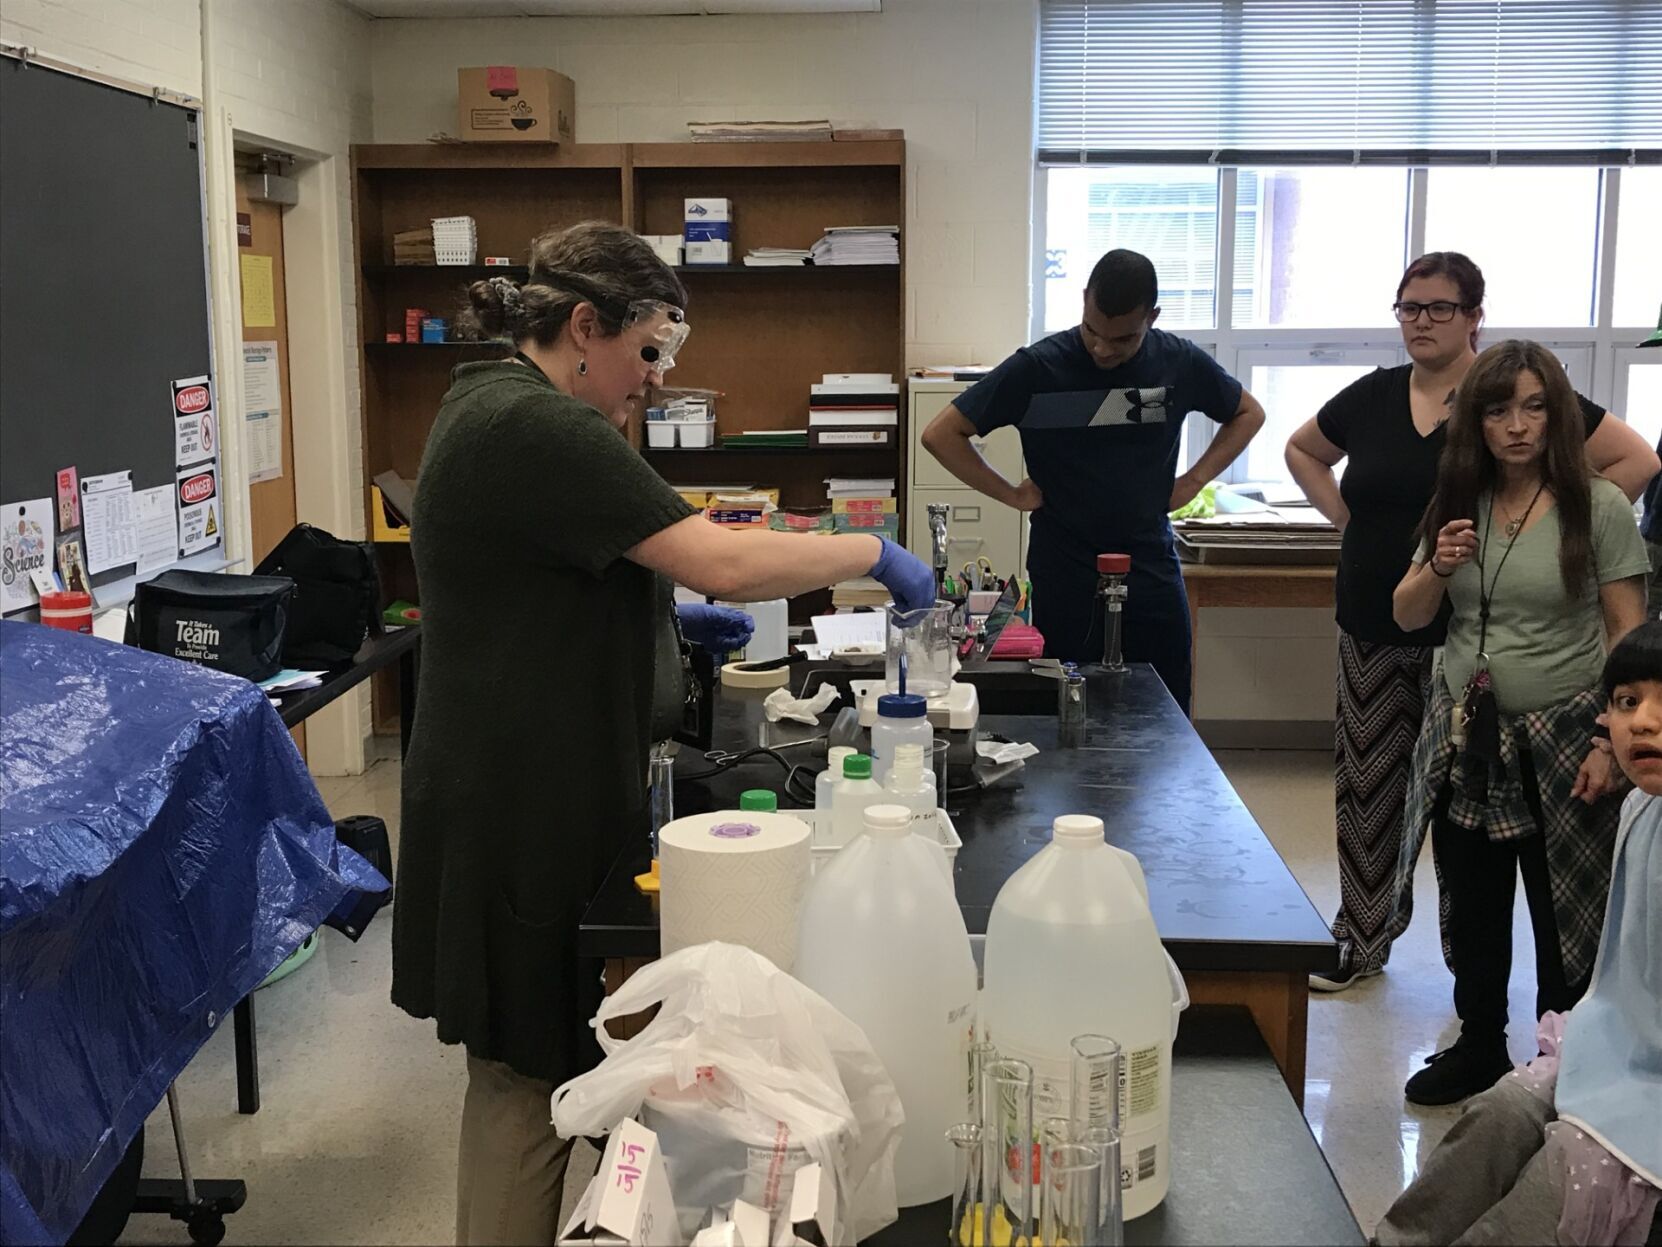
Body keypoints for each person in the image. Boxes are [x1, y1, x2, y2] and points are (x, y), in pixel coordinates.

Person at [389, 221, 936, 1246]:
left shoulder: (491, 403)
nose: (650, 383)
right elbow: (718, 561)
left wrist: (661, 622)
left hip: (516, 776)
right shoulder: (539, 426)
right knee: (530, 1077)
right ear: (584, 327)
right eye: (647, 355)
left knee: (547, 1064)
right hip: (520, 802)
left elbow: (550, 577)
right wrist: (870, 546)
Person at [1286, 253, 1658, 992]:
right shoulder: (1374, 396)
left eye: (1440, 308)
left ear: (1473, 315)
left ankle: (1471, 971)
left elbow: (1637, 460)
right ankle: (1360, 938)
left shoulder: (1509, 392)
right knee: (1369, 793)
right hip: (1384, 622)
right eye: (1409, 307)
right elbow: (1303, 449)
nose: (1422, 321)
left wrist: (1559, 526)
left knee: (1471, 826)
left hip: (1494, 652)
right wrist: (1347, 519)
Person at [1390, 339, 1649, 1106]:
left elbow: (1628, 639)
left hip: (1565, 737)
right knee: (1472, 901)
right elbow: (1406, 614)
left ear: (1558, 416)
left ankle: (1563, 1053)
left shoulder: (1596, 505)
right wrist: (1436, 565)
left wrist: (1611, 738)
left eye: (1535, 407)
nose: (1517, 426)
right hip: (1467, 735)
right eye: (1499, 409)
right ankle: (1479, 1046)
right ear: (1477, 420)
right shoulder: (1456, 500)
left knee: (1564, 906)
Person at [1373, 622, 1662, 1247]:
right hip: (1618, 1051)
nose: (1644, 722)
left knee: (1565, 1170)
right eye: (1626, 702)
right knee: (1499, 1113)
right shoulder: (1641, 807)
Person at [921, 248, 1266, 712]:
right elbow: (941, 434)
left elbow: (1248, 413)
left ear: (1152, 317)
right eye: (1092, 331)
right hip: (1065, 567)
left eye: (1122, 339)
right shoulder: (1038, 368)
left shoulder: (1177, 363)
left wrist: (1194, 481)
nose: (1102, 349)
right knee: (1071, 707)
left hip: (1147, 563)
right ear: (1083, 302)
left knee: (1165, 709)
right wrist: (1011, 494)